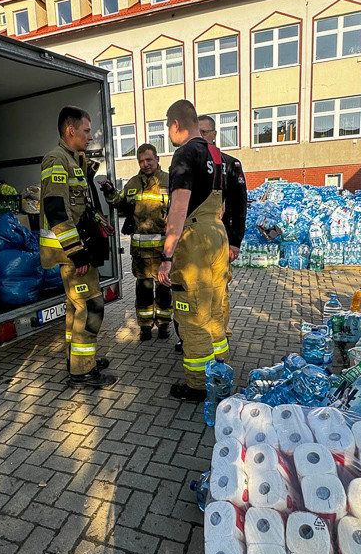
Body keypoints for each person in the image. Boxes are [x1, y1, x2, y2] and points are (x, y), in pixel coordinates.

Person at [39, 106, 116, 389]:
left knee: (75, 308)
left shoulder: (73, 160)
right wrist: (77, 251)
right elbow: (57, 211)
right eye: (86, 131)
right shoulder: (55, 160)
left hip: (76, 249)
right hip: (71, 253)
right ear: (70, 130)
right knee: (91, 306)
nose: (90, 137)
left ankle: (78, 359)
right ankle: (83, 372)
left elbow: (81, 204)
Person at [158, 100, 229, 402]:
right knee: (215, 307)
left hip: (195, 242)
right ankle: (220, 367)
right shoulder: (215, 154)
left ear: (175, 125)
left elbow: (179, 207)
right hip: (217, 234)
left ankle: (198, 386)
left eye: (167, 127)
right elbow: (222, 205)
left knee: (191, 313)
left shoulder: (184, 153)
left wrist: (166, 257)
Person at [100, 144, 172, 341]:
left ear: (157, 159)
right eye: (141, 161)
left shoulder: (169, 181)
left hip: (163, 253)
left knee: (164, 290)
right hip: (140, 253)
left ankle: (164, 325)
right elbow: (118, 202)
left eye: (149, 160)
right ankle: (145, 327)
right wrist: (109, 191)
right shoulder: (132, 183)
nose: (145, 164)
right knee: (143, 291)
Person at [198, 115, 247, 340]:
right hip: (194, 242)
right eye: (196, 132)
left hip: (222, 239)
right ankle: (194, 333)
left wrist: (235, 242)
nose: (201, 137)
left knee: (219, 292)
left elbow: (239, 206)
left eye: (205, 132)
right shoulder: (189, 163)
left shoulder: (229, 164)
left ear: (215, 135)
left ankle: (220, 334)